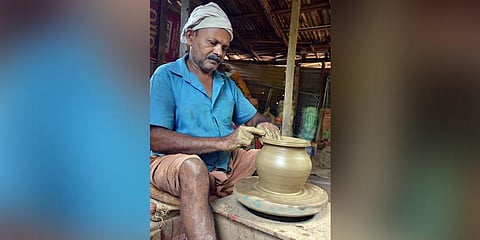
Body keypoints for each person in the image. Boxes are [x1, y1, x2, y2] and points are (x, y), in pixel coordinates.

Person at [149, 2, 280, 239]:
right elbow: (155, 138)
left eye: (224, 47)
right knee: (194, 168)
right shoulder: (166, 76)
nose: (219, 52)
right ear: (190, 36)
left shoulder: (227, 84)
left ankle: (239, 211)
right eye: (212, 43)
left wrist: (264, 124)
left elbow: (253, 117)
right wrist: (222, 142)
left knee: (269, 159)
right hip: (173, 165)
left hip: (223, 165)